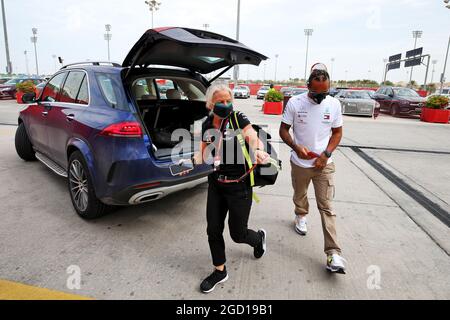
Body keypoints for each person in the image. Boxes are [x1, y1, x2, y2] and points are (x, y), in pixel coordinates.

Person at [193, 84, 271, 293]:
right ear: (210, 104)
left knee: (238, 234)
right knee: (213, 229)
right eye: (221, 101)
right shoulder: (207, 123)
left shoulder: (237, 118)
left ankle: (258, 239)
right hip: (216, 184)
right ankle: (220, 271)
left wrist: (258, 150)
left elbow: (251, 135)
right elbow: (203, 151)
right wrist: (193, 160)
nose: (226, 104)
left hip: (239, 187)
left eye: (229, 101)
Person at [279, 63, 347, 273]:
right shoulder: (295, 103)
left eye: (324, 92)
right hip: (300, 163)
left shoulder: (333, 104)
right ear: (307, 85)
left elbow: (337, 133)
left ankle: (333, 254)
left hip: (324, 164)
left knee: (326, 206)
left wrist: (325, 155)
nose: (319, 97)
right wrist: (295, 146)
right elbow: (283, 130)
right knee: (300, 195)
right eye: (315, 92)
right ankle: (301, 215)